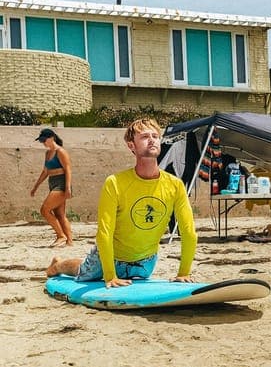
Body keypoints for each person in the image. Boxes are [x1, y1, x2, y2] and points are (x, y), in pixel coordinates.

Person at [46, 118, 198, 287]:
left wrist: (184, 272)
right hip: (109, 257)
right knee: (83, 270)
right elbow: (104, 232)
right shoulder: (115, 183)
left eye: (155, 136)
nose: (152, 139)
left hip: (145, 263)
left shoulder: (175, 185)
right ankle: (58, 264)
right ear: (131, 145)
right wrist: (110, 276)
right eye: (145, 136)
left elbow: (188, 231)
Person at [30, 128, 74, 247]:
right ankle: (69, 241)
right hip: (52, 182)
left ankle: (61, 236)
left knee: (44, 210)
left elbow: (68, 169)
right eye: (41, 141)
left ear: (52, 138)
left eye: (44, 140)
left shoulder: (61, 151)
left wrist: (68, 187)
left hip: (61, 183)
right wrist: (36, 187)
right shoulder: (48, 153)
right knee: (60, 214)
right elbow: (45, 172)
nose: (43, 143)